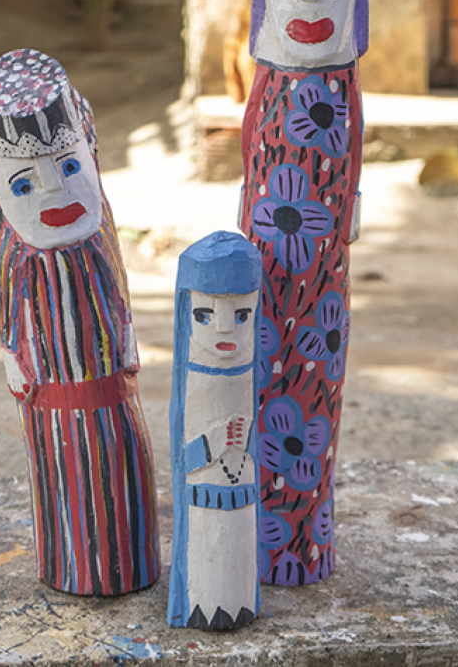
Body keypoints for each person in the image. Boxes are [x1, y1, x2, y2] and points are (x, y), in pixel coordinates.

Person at [0, 49, 160, 596]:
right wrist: (15, 357)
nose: (54, 190)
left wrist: (124, 343)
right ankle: (71, 564)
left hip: (111, 395)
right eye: (23, 184)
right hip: (49, 408)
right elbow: (12, 318)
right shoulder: (14, 257)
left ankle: (127, 561)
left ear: (89, 150)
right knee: (62, 482)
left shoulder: (100, 243)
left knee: (121, 470)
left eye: (69, 166)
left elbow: (116, 302)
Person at [239, 0, 373, 586]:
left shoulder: (344, 90)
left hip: (324, 279)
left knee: (313, 390)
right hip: (265, 269)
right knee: (261, 382)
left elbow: (350, 166)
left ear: (359, 3)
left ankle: (303, 542)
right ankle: (257, 537)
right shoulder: (266, 84)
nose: (308, 2)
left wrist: (346, 221)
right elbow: (250, 162)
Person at [168, 231, 261, 630]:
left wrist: (246, 442)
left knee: (239, 564)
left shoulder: (248, 374)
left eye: (241, 315)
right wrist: (215, 442)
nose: (224, 329)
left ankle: (244, 602)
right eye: (204, 315)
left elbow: (257, 450)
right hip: (202, 503)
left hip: (244, 499)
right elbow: (182, 461)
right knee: (208, 578)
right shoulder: (193, 380)